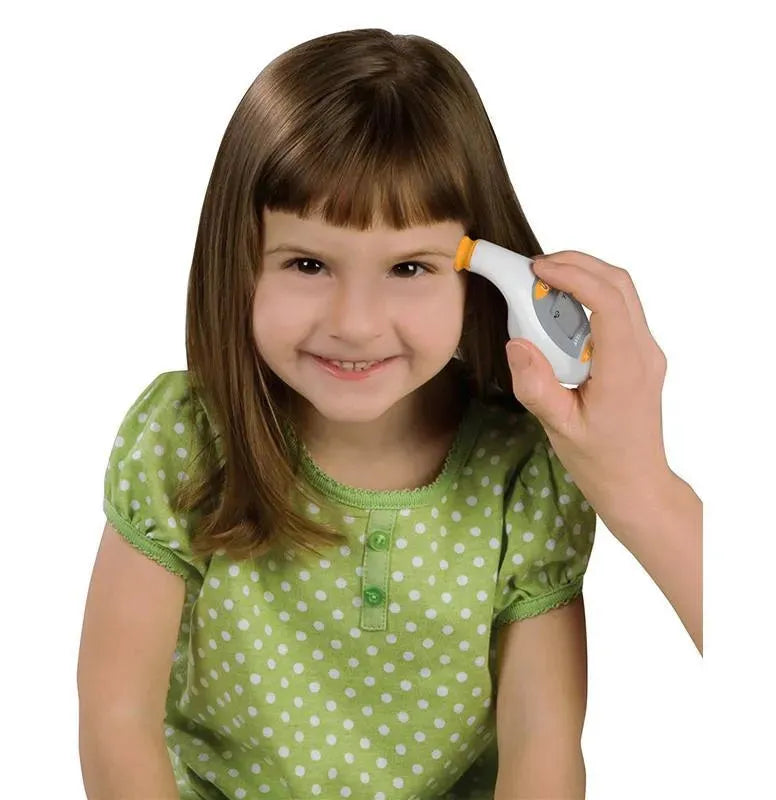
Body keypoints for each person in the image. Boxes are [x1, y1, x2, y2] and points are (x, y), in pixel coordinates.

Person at [77, 28, 702, 800]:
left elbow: (543, 743)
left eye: (409, 267)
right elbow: (116, 716)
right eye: (308, 263)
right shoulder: (184, 439)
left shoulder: (522, 473)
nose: (357, 322)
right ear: (238, 261)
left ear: (485, 273)